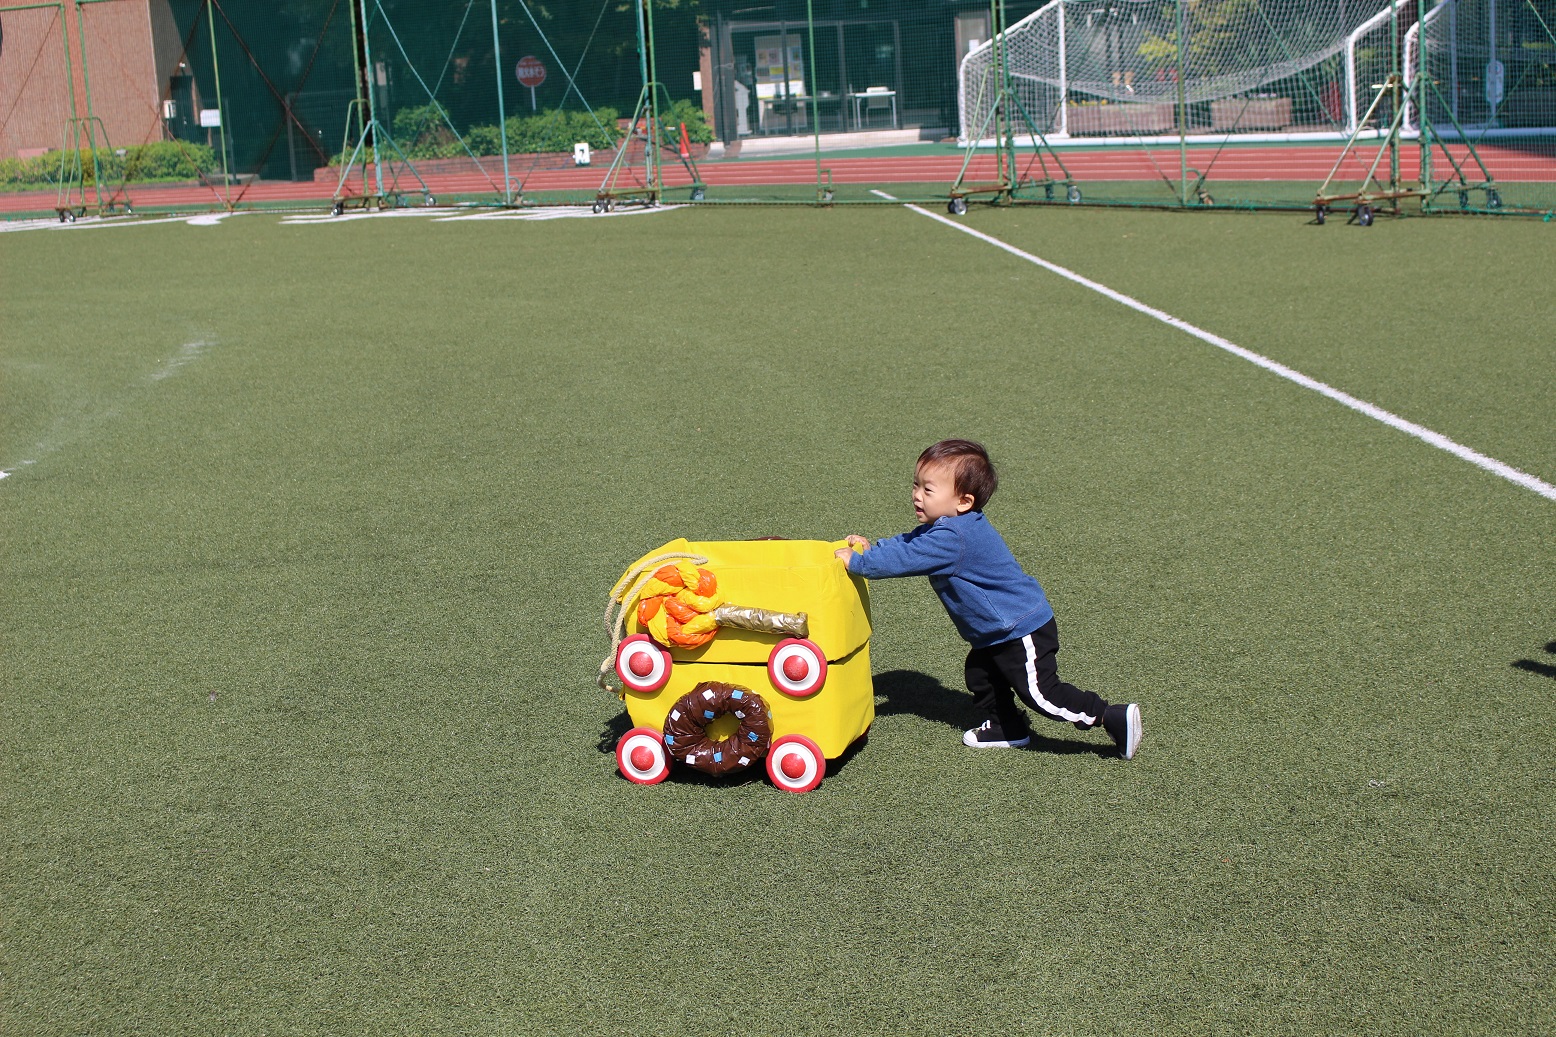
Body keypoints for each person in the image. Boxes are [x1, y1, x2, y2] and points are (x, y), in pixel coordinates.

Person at [835, 439, 1142, 759]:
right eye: (916, 485)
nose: (917, 495)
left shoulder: (953, 537)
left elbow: (906, 559)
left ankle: (1110, 716)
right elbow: (909, 542)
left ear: (963, 501)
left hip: (1019, 628)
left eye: (928, 489)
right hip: (997, 631)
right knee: (981, 675)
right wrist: (874, 549)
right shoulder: (947, 526)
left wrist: (859, 563)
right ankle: (1007, 727)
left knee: (1041, 693)